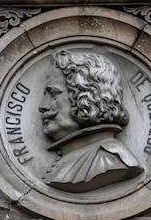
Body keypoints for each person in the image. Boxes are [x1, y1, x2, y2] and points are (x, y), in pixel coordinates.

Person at [38, 49, 144, 193]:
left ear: (87, 98)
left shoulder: (109, 160)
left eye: (53, 94)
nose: (43, 106)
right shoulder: (71, 157)